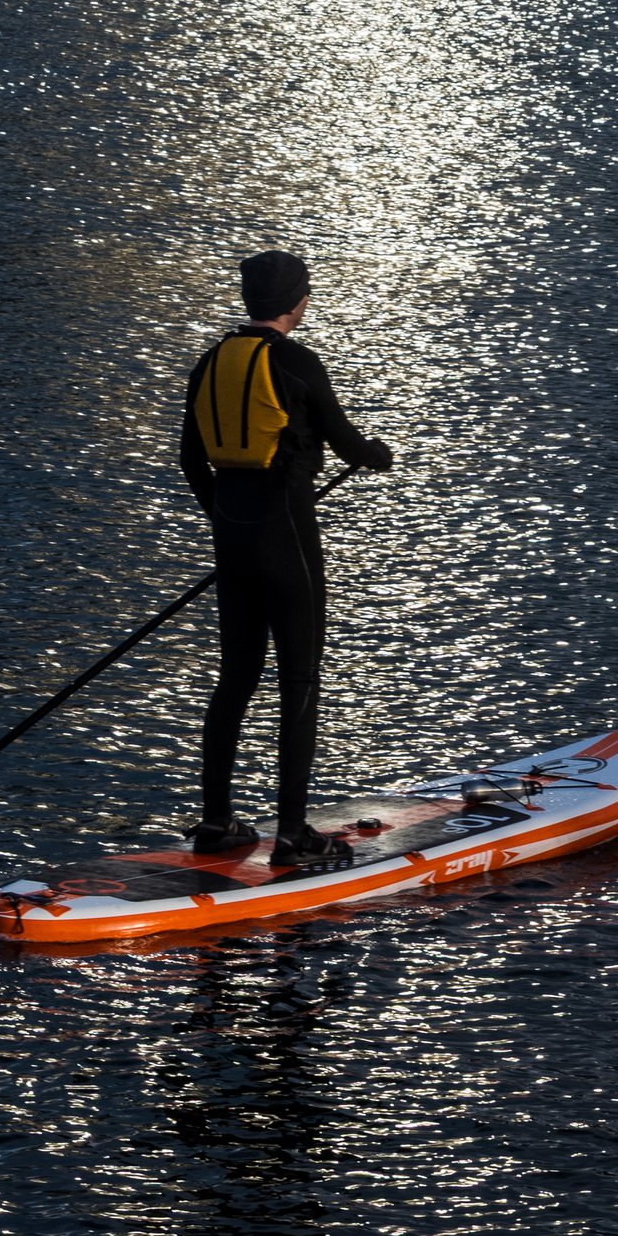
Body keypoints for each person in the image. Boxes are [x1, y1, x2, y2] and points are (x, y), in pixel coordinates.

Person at [179, 248, 394, 875]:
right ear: (297, 302)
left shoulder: (210, 361)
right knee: (299, 678)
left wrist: (225, 516)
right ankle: (293, 836)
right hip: (286, 535)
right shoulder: (297, 362)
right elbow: (347, 441)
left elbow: (192, 460)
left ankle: (216, 825)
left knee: (236, 678)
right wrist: (375, 455)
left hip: (232, 535)